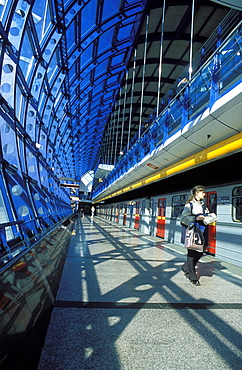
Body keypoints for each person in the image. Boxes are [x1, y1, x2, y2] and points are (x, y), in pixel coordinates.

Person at [180, 185, 210, 286]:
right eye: (203, 192)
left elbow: (205, 216)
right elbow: (183, 218)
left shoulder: (203, 205)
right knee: (192, 253)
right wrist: (196, 218)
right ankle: (193, 277)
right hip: (193, 232)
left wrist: (210, 217)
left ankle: (186, 267)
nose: (204, 194)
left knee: (201, 251)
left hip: (202, 231)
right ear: (197, 193)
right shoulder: (189, 205)